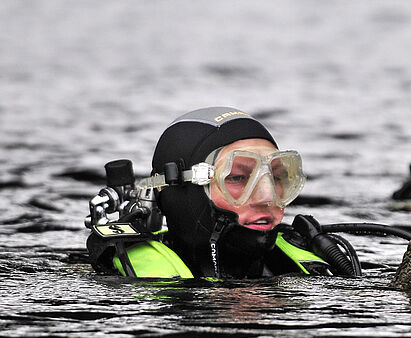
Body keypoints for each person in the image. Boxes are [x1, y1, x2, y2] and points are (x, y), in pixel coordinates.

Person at [86, 107, 361, 279]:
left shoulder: (315, 269)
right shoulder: (126, 289)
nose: (267, 196)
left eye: (276, 177)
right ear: (185, 192)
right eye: (239, 177)